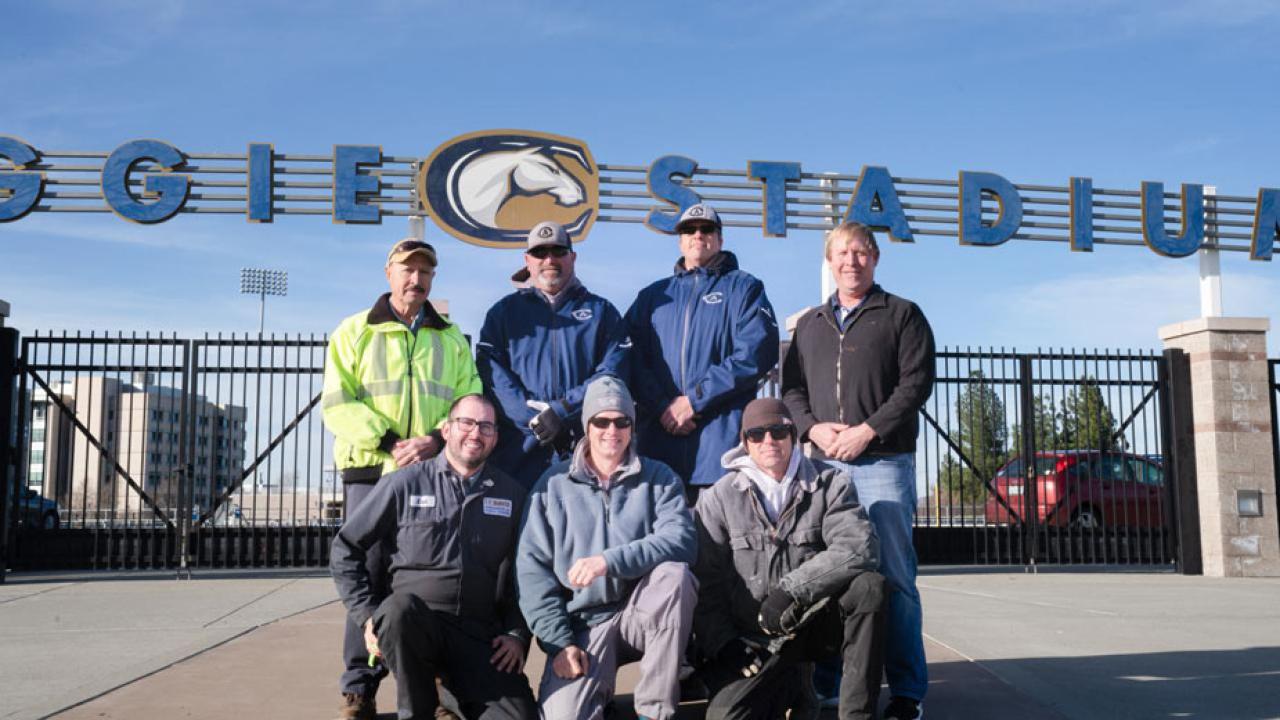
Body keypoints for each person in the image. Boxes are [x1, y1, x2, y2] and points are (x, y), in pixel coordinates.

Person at [322, 237, 484, 720]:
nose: (416, 280)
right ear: (389, 272)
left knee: (429, 576)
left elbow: (468, 397)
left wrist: (435, 441)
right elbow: (337, 403)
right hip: (373, 472)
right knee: (368, 578)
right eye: (407, 270)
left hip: (433, 470)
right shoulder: (353, 332)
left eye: (425, 272)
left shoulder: (452, 338)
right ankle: (360, 687)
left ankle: (435, 686)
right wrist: (394, 442)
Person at [781, 221, 935, 720]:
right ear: (830, 261)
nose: (852, 261)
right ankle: (830, 682)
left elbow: (914, 385)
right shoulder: (809, 325)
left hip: (883, 464)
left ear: (875, 259)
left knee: (893, 578)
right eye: (842, 253)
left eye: (861, 252)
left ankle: (907, 691)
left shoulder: (902, 316)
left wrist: (866, 431)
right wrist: (811, 430)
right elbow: (791, 391)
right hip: (822, 468)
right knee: (827, 576)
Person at [330, 394, 537, 720]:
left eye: (486, 426)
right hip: (415, 630)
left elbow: (527, 572)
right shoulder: (404, 483)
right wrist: (367, 616)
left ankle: (448, 695)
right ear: (446, 430)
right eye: (466, 423)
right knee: (399, 610)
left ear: (495, 437)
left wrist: (516, 633)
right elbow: (346, 547)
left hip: (477, 634)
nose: (475, 433)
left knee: (520, 717)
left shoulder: (511, 495)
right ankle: (421, 708)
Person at [517, 375, 698, 720]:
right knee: (563, 716)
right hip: (585, 626)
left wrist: (609, 561)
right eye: (601, 421)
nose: (611, 430)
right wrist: (560, 643)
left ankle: (654, 712)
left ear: (632, 426)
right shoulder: (551, 486)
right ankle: (594, 693)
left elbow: (683, 541)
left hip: (640, 615)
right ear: (587, 425)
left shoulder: (659, 477)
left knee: (675, 577)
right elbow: (531, 571)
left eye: (621, 421)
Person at [693, 398, 885, 720]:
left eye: (778, 431)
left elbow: (859, 545)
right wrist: (724, 643)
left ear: (793, 435)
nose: (768, 441)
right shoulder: (718, 499)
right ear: (745, 442)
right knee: (726, 716)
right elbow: (705, 584)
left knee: (869, 588)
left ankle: (856, 714)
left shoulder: (831, 484)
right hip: (753, 638)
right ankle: (794, 681)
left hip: (813, 624)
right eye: (757, 434)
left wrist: (791, 591)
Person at [625, 203, 779, 499]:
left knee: (717, 543)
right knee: (660, 542)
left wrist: (694, 401)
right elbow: (630, 358)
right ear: (680, 240)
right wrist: (663, 406)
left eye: (706, 229)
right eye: (688, 230)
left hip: (718, 455)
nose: (698, 234)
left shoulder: (745, 288)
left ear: (719, 239)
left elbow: (756, 352)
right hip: (658, 452)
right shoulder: (652, 297)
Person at [477, 221, 630, 489]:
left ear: (573, 257)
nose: (549, 260)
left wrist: (562, 411)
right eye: (540, 253)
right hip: (517, 454)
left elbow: (612, 372)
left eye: (558, 251)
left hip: (581, 451)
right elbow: (492, 374)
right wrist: (535, 421)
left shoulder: (602, 312)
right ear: (527, 260)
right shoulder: (503, 313)